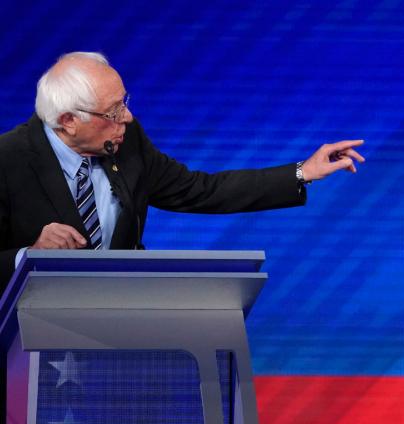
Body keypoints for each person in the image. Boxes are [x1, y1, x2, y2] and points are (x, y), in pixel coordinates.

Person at [0, 51, 365, 291]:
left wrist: (301, 172)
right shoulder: (8, 159)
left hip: (118, 327)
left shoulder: (127, 142)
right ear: (68, 121)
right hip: (29, 343)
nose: (126, 117)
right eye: (113, 112)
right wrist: (26, 254)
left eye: (124, 103)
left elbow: (200, 189)